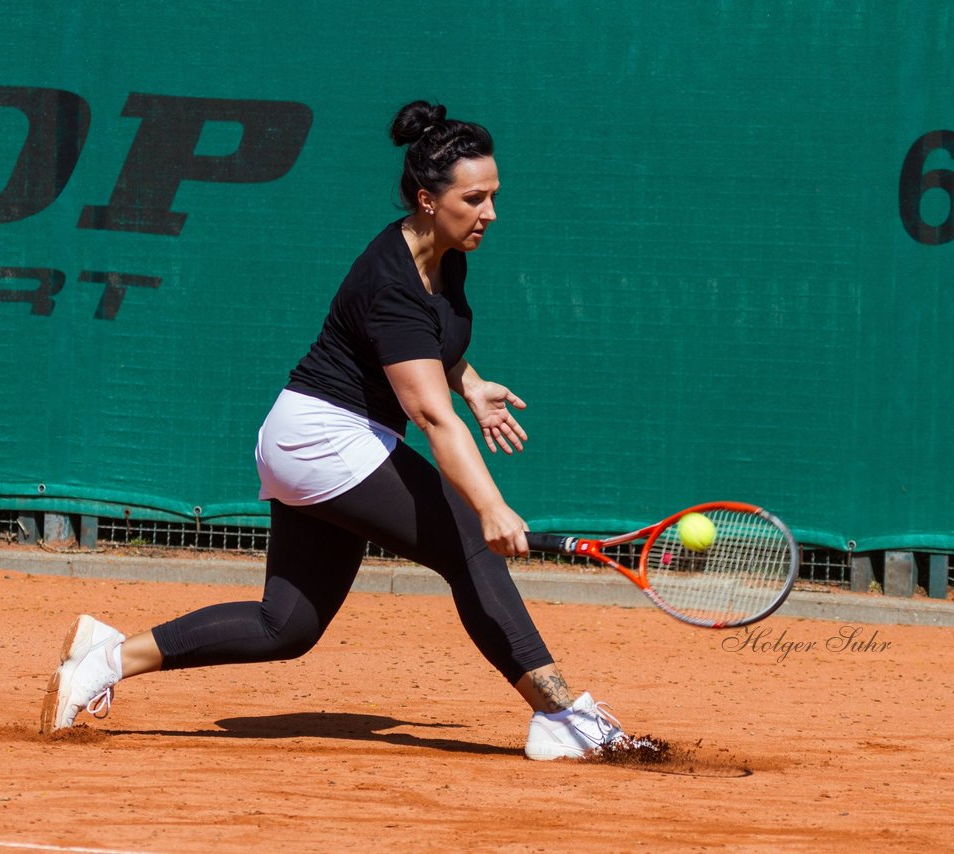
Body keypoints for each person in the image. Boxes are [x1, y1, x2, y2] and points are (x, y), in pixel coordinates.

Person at [40, 100, 630, 760]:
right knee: (467, 544)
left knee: (285, 626)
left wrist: (471, 383)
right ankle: (558, 716)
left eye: (493, 195)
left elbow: (431, 353)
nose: (490, 212)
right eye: (475, 198)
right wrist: (489, 508)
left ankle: (104, 658)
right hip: (326, 437)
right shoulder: (392, 283)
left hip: (326, 440)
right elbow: (431, 417)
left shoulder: (445, 254)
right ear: (427, 199)